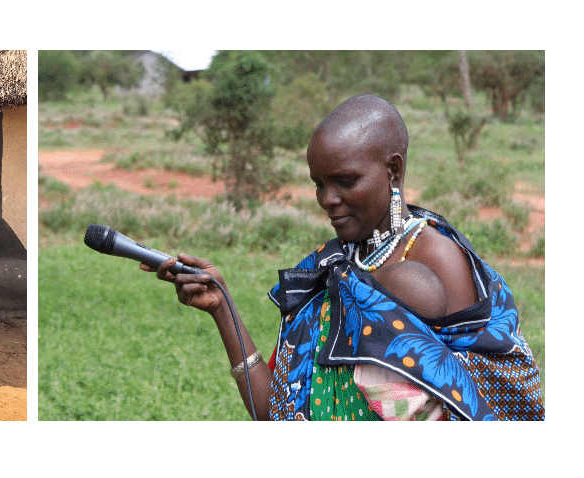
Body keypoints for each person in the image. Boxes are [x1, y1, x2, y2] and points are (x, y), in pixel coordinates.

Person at [145, 94, 544, 421]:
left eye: (345, 181)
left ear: (393, 171)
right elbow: (277, 414)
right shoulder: (334, 267)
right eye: (319, 184)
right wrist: (222, 306)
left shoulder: (436, 257)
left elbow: (472, 407)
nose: (327, 199)